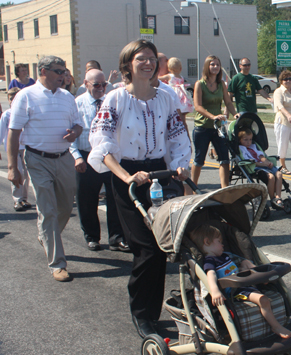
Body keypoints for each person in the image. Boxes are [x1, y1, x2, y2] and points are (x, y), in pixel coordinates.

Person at [88, 39, 191, 338]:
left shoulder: (167, 97)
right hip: (129, 177)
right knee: (147, 249)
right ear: (128, 65)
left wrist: (182, 164)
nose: (147, 63)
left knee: (165, 245)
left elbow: (176, 134)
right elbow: (103, 145)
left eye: (150, 59)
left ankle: (157, 309)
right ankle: (143, 315)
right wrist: (126, 176)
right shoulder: (116, 100)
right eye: (140, 59)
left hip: (160, 171)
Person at [7, 55, 83, 282]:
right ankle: (57, 263)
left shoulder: (67, 97)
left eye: (64, 71)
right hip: (37, 160)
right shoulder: (25, 96)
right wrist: (13, 167)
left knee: (65, 205)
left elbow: (78, 124)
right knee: (47, 209)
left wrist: (75, 133)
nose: (63, 75)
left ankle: (46, 234)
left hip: (64, 158)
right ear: (43, 71)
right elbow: (14, 132)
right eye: (58, 71)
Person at [189, 224, 291, 339]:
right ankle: (276, 326)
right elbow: (211, 274)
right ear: (207, 242)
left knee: (246, 263)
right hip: (236, 291)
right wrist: (215, 290)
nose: (223, 244)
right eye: (219, 241)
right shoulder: (210, 261)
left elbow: (235, 267)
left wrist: (245, 265)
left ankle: (261, 277)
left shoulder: (224, 256)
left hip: (243, 284)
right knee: (263, 299)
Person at [70, 69, 128, 252]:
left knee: (115, 198)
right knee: (86, 200)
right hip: (85, 156)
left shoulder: (110, 102)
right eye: (96, 85)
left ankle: (116, 238)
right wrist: (77, 157)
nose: (101, 88)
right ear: (86, 84)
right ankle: (92, 236)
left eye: (104, 84)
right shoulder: (77, 104)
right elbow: (68, 135)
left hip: (109, 157)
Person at [191, 55, 239, 188]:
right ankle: (193, 188)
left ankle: (225, 189)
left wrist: (235, 114)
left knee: (224, 158)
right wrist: (212, 116)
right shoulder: (200, 84)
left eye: (217, 65)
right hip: (202, 127)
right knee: (199, 160)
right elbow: (198, 107)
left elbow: (228, 102)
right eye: (212, 64)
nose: (215, 67)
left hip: (217, 128)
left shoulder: (221, 84)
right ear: (207, 66)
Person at [0, 88, 31, 212]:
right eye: (10, 98)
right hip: (14, 149)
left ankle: (24, 198)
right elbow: (1, 132)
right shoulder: (7, 114)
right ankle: (17, 200)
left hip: (26, 147)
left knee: (27, 174)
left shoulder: (26, 112)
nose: (13, 100)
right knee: (17, 173)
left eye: (15, 98)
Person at [238, 128, 284, 208]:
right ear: (240, 140)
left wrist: (266, 162)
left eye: (250, 139)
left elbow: (261, 156)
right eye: (245, 140)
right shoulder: (241, 149)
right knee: (271, 177)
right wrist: (263, 165)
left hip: (263, 165)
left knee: (279, 174)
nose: (248, 142)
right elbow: (251, 162)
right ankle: (272, 198)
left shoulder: (253, 146)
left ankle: (278, 197)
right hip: (254, 167)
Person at [159, 57, 194, 133]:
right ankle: (186, 134)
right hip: (182, 96)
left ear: (168, 68)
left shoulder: (169, 76)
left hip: (174, 95)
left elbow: (159, 79)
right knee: (182, 118)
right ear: (180, 68)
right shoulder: (181, 77)